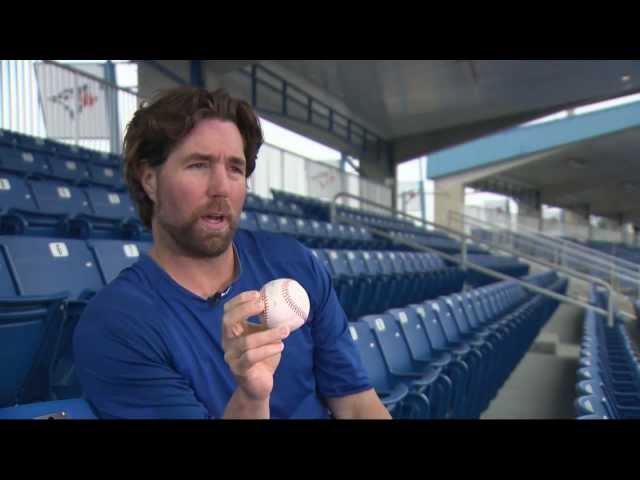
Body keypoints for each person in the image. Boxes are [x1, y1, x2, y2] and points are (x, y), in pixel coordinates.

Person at [73, 86, 391, 419]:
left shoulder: (295, 264)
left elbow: (357, 406)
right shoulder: (117, 324)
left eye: (235, 169)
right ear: (150, 180)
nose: (222, 187)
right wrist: (251, 398)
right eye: (198, 165)